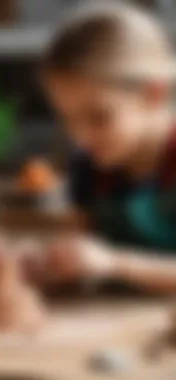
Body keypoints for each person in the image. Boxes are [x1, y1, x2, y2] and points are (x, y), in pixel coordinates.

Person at [38, 1, 176, 294]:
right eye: (68, 119)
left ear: (154, 93)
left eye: (99, 117)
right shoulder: (87, 166)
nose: (81, 138)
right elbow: (82, 250)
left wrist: (115, 263)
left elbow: (105, 261)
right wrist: (53, 264)